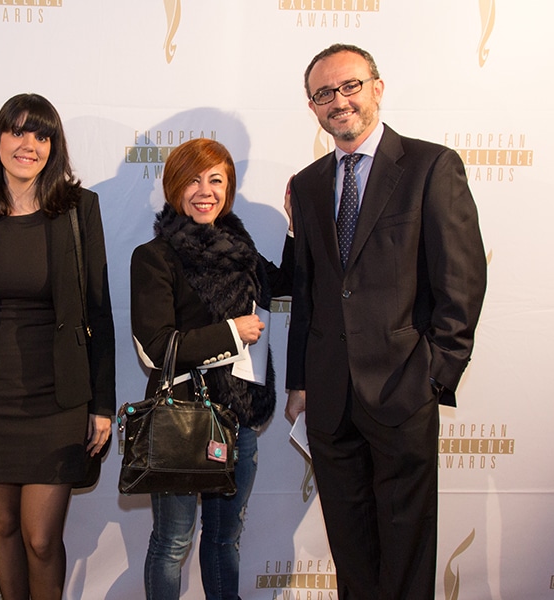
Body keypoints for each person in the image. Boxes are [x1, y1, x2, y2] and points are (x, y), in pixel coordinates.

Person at [284, 44, 487, 599]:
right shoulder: (308, 183)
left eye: (349, 85)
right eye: (324, 93)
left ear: (377, 87)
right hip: (330, 399)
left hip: (404, 390)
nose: (339, 101)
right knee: (352, 558)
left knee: (406, 557)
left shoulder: (430, 166)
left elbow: (461, 283)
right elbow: (307, 291)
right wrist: (300, 381)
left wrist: (433, 376)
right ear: (312, 106)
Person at [0, 93, 115, 600]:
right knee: (3, 525)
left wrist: (103, 404)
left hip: (58, 399)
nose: (29, 144)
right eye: (17, 131)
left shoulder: (79, 208)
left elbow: (98, 310)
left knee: (41, 538)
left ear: (53, 147)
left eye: (41, 135)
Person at [130, 137, 293, 600]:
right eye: (193, 180)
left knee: (225, 538)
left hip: (239, 419)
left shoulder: (238, 249)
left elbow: (286, 282)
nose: (205, 191)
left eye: (216, 180)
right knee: (172, 543)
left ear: (229, 188)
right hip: (183, 419)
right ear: (174, 187)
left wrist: (296, 227)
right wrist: (231, 332)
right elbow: (155, 349)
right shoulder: (155, 256)